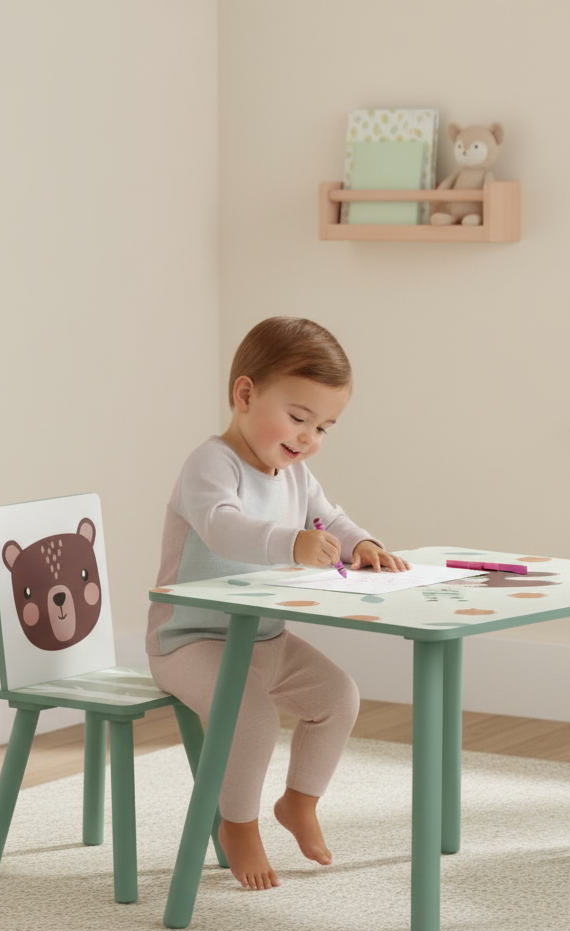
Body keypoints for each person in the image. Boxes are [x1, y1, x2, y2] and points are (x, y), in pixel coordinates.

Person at [146, 316, 408, 890]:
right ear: (245, 394)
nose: (309, 437)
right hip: (191, 641)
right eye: (298, 418)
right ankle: (236, 823)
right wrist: (290, 544)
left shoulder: (296, 472)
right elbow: (223, 528)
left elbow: (328, 515)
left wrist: (361, 541)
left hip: (264, 639)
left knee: (338, 696)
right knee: (250, 716)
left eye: (324, 427)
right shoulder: (210, 464)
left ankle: (299, 801)